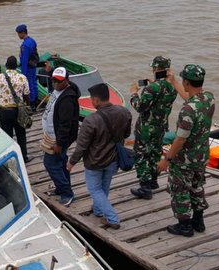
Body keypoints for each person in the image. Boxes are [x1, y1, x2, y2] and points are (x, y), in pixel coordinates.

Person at [157, 64, 215, 237]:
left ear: (187, 83)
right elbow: (191, 100)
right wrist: (174, 81)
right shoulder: (208, 98)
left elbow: (180, 139)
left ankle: (184, 226)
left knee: (180, 190)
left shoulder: (188, 110)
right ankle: (198, 221)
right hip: (201, 155)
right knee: (197, 187)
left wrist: (166, 159)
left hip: (185, 160)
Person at [67, 83, 132, 229]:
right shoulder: (124, 112)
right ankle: (98, 210)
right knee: (104, 187)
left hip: (95, 161)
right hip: (113, 158)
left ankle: (112, 218)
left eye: (91, 99)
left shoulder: (90, 120)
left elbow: (81, 146)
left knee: (95, 189)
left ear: (96, 100)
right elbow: (126, 134)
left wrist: (72, 162)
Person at [129, 56, 177, 200]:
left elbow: (140, 107)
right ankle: (154, 180)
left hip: (146, 128)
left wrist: (133, 93)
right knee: (155, 152)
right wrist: (153, 84)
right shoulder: (172, 87)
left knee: (141, 154)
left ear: (156, 69)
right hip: (161, 127)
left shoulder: (151, 88)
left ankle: (145, 187)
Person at [41, 67, 80, 206]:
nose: (55, 83)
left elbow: (65, 125)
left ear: (67, 80)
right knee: (61, 162)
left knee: (50, 164)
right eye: (53, 80)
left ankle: (67, 193)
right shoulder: (57, 90)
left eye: (59, 81)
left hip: (58, 139)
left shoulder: (67, 100)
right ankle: (61, 187)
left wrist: (60, 143)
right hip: (51, 135)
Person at [16, 24, 39, 111]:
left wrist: (23, 74)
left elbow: (24, 60)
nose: (18, 35)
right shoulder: (32, 41)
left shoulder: (25, 45)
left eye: (18, 34)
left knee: (30, 86)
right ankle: (36, 100)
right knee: (34, 84)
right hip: (33, 66)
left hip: (28, 68)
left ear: (22, 33)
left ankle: (32, 104)